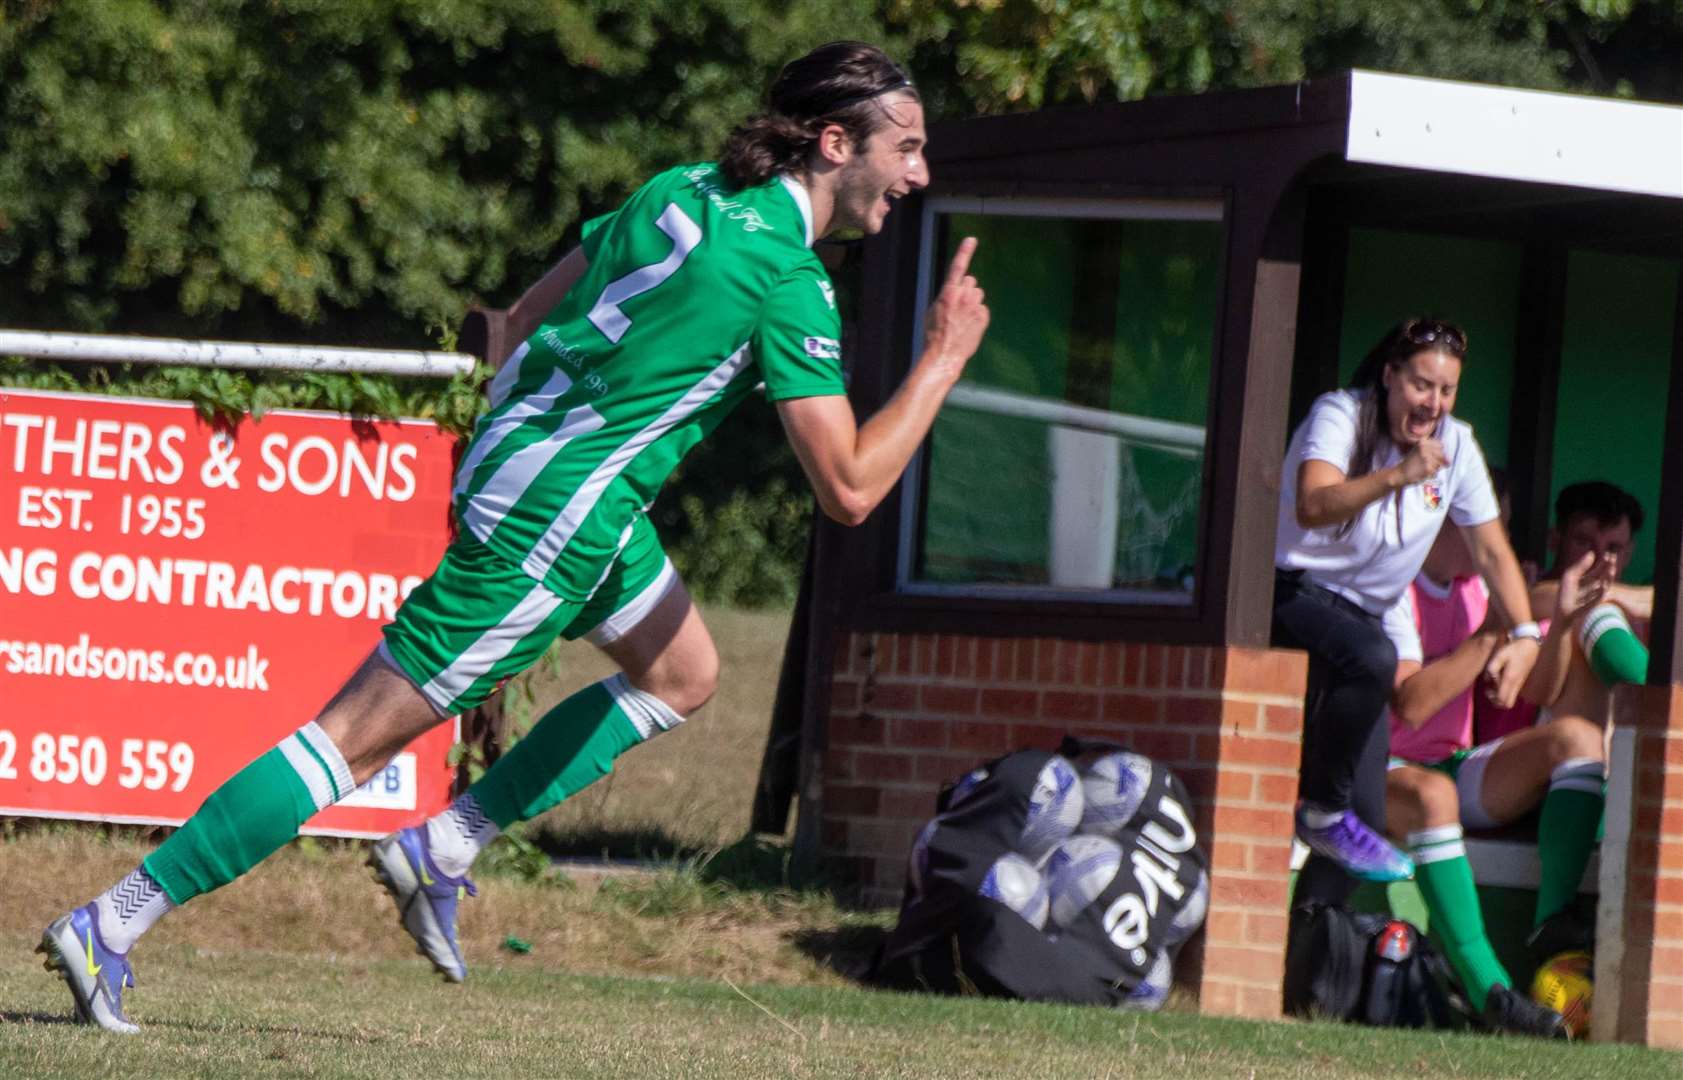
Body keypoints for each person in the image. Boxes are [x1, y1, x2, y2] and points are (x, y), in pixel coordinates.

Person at [40, 41, 991, 1034]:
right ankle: (114, 920)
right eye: (907, 148)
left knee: (684, 673)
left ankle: (444, 845)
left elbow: (549, 294)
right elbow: (847, 486)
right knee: (351, 742)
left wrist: (515, 413)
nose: (918, 173)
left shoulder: (689, 187)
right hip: (556, 518)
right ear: (836, 142)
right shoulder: (787, 277)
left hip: (537, 470)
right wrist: (942, 359)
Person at [1274, 318, 1542, 889]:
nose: (1433, 404)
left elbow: (1492, 550)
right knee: (1373, 657)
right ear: (1390, 375)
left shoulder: (1458, 444)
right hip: (1294, 594)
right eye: (1423, 386)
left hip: (1363, 618)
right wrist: (1398, 474)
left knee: (1369, 818)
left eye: (1447, 392)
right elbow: (1313, 505)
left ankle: (1318, 960)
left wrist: (1525, 635)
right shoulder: (1341, 415)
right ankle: (1319, 812)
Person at [1381, 515, 1611, 1038]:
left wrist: (1548, 630)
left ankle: (1551, 927)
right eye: (1483, 525)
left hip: (1453, 764)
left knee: (1577, 738)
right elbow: (1412, 705)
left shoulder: (1477, 588)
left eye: (1500, 526)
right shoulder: (1393, 582)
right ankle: (1492, 994)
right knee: (1434, 796)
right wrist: (1492, 637)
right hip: (1377, 768)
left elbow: (1540, 654)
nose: (1495, 540)